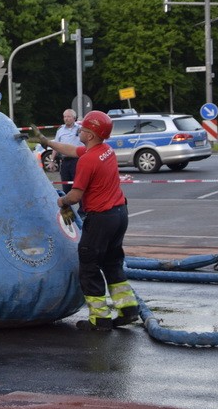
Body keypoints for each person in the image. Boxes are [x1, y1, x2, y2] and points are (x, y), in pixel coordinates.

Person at [32, 111, 139, 332]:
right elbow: (71, 150)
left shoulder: (88, 161)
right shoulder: (105, 151)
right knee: (112, 262)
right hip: (120, 214)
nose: (79, 131)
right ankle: (128, 309)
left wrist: (59, 200)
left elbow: (74, 197)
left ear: (90, 135)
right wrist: (47, 142)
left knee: (89, 266)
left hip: (101, 219)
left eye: (82, 129)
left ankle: (99, 320)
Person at [53, 109, 82, 193]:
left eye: (68, 116)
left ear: (74, 118)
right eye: (65, 117)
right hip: (65, 161)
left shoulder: (80, 129)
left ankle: (82, 206)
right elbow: (55, 146)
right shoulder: (60, 130)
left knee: (78, 186)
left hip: (77, 161)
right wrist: (52, 160)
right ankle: (67, 206)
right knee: (66, 187)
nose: (66, 119)